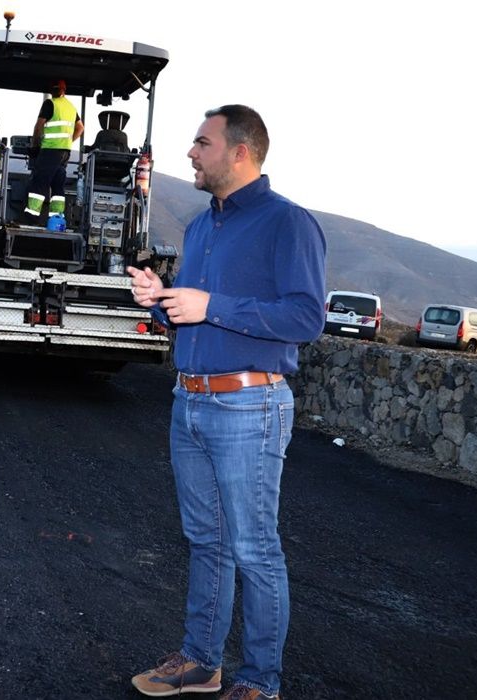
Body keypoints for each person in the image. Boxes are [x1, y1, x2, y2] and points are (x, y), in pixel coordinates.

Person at [125, 105, 326, 700]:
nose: (190, 152)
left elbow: (306, 317)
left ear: (240, 152)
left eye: (201, 142)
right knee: (205, 541)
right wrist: (160, 301)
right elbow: (193, 314)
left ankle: (260, 681)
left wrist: (211, 304)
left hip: (249, 407)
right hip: (190, 401)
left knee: (254, 548)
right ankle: (200, 661)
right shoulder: (199, 226)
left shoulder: (288, 224)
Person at [22, 79, 83, 225]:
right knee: (57, 184)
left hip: (50, 150)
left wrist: (35, 145)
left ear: (52, 91)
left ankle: (32, 216)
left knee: (39, 182)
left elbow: (39, 127)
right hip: (65, 153)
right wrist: (69, 141)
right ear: (64, 90)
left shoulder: (50, 103)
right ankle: (57, 218)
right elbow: (80, 128)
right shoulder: (71, 107)